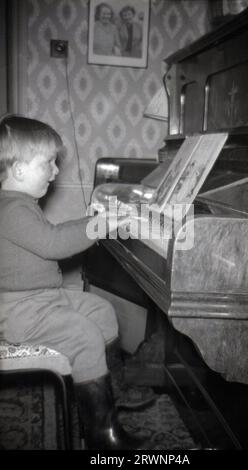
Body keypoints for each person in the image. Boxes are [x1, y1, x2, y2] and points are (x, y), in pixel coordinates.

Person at [0, 114, 144, 450]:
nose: (54, 171)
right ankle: (102, 437)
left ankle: (105, 397)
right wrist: (100, 224)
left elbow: (54, 234)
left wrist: (97, 221)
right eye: (47, 163)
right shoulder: (11, 211)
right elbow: (54, 243)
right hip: (20, 311)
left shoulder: (19, 205)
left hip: (42, 299)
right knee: (84, 337)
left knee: (102, 311)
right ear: (19, 169)